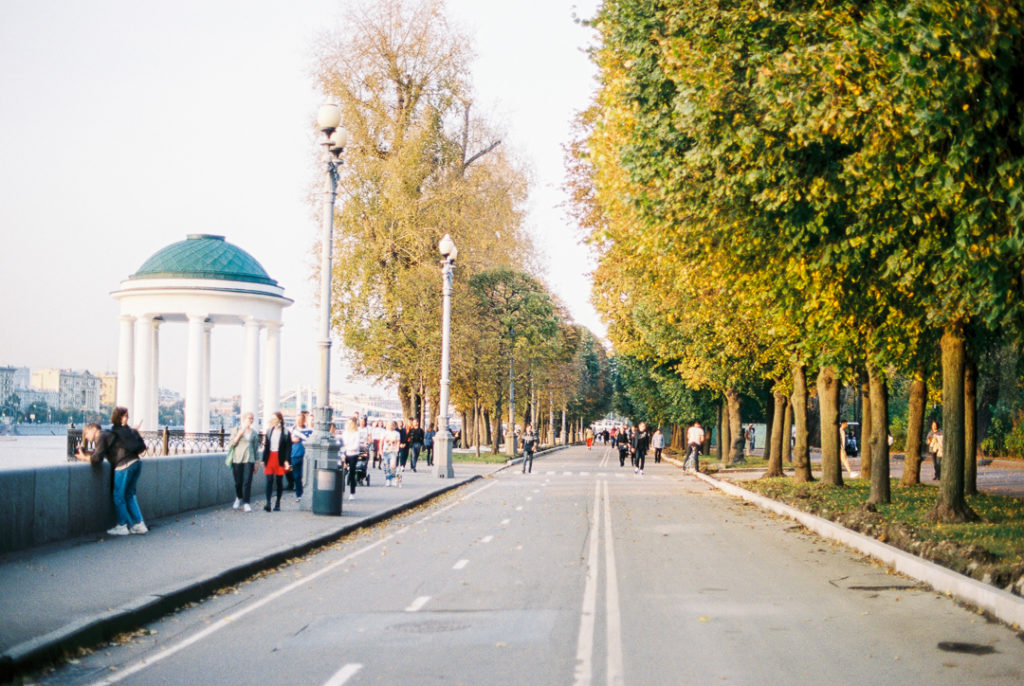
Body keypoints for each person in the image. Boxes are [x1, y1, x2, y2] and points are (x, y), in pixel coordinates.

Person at [76, 406, 149, 535]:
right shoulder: (116, 432)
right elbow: (103, 452)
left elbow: (97, 459)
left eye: (86, 433)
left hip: (124, 465)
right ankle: (139, 524)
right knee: (130, 495)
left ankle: (122, 526)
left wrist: (83, 458)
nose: (86, 437)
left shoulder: (103, 435)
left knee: (118, 496)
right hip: (136, 463)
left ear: (93, 429)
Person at [228, 412, 259, 512]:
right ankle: (238, 497)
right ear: (243, 419)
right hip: (237, 458)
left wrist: (256, 462)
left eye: (252, 418)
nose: (251, 420)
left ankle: (246, 503)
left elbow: (256, 448)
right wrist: (239, 434)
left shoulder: (254, 433)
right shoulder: (236, 430)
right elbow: (231, 444)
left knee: (247, 481)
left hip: (249, 459)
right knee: (238, 482)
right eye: (249, 418)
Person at [262, 412, 291, 512]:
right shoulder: (270, 431)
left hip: (280, 458)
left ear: (280, 420)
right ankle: (268, 503)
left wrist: (287, 461)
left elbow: (288, 448)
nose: (272, 421)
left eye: (274, 419)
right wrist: (263, 459)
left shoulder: (286, 432)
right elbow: (266, 446)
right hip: (270, 457)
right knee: (269, 480)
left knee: (279, 481)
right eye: (272, 419)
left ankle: (277, 503)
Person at [289, 410, 312, 501]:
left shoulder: (309, 430)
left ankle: (306, 494)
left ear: (304, 420)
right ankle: (299, 495)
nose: (298, 421)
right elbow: (288, 442)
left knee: (305, 476)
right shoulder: (292, 430)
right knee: (296, 476)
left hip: (306, 456)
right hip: (295, 455)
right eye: (297, 419)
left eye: (300, 419)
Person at [340, 417, 361, 500]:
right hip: (345, 454)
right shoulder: (344, 433)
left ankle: (352, 493)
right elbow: (342, 444)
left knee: (352, 473)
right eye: (348, 423)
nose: (349, 425)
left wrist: (347, 447)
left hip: (353, 454)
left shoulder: (356, 433)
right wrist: (344, 450)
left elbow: (356, 446)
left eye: (351, 423)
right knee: (342, 473)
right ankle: (341, 491)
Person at [381, 419, 401, 487]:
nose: (391, 426)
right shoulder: (385, 432)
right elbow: (381, 441)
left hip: (393, 451)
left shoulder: (397, 433)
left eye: (392, 425)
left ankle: (393, 478)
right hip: (386, 451)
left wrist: (397, 449)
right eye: (389, 425)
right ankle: (387, 479)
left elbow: (398, 441)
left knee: (393, 466)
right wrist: (380, 450)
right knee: (386, 466)